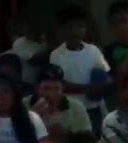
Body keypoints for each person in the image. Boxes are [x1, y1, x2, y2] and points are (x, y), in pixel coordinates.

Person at [48, 4, 113, 132]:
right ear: (63, 30)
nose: (75, 31)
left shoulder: (93, 51)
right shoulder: (56, 55)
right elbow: (59, 83)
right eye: (70, 27)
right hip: (69, 110)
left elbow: (106, 75)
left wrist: (103, 86)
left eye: (80, 26)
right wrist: (87, 88)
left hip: (92, 109)